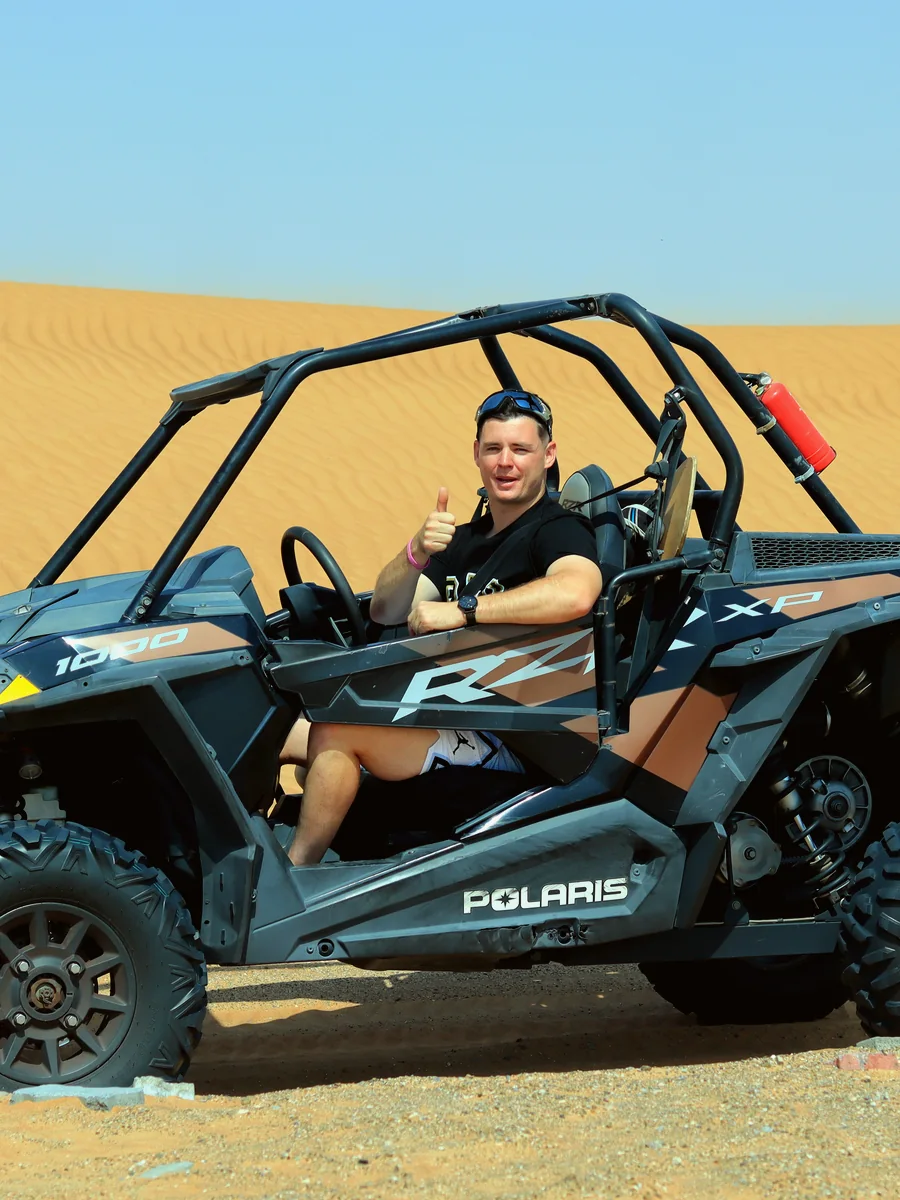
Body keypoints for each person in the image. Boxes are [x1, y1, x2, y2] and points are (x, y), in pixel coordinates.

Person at [280, 390, 603, 865]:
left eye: (521, 450)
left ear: (548, 455)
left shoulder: (554, 529)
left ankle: (295, 876)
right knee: (280, 727)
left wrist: (466, 609)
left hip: (511, 733)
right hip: (446, 705)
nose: (506, 463)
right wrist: (416, 551)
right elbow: (387, 610)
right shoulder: (467, 538)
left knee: (335, 732)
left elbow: (577, 591)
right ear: (476, 454)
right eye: (493, 449)